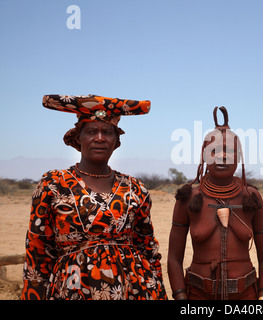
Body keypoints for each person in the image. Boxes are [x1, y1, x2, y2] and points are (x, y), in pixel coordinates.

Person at [21, 94, 167, 300]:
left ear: (116, 141)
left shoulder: (135, 188)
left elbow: (148, 247)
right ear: (78, 138)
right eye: (91, 131)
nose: (100, 137)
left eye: (107, 132)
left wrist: (160, 291)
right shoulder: (54, 184)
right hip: (73, 290)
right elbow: (37, 252)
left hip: (135, 290)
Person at [168, 106, 263, 300]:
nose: (222, 156)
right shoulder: (188, 197)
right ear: (204, 156)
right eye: (214, 151)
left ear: (239, 156)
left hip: (246, 295)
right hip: (198, 295)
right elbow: (174, 258)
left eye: (230, 151)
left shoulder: (251, 197)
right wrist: (180, 296)